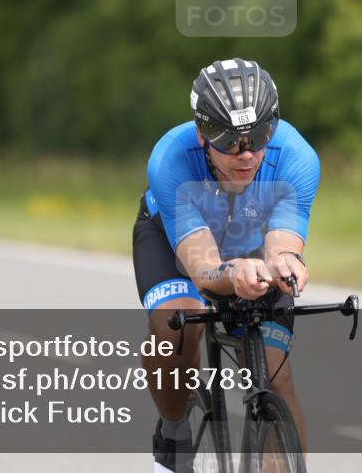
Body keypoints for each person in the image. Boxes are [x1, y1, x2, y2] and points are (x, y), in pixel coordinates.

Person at [133, 58, 320, 472]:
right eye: (229, 141)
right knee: (176, 324)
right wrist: (232, 275)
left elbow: (282, 245)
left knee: (275, 374)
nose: (247, 153)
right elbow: (204, 269)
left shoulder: (297, 158)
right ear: (202, 133)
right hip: (176, 243)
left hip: (251, 245)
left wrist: (286, 265)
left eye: (258, 136)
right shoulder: (171, 159)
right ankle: (175, 424)